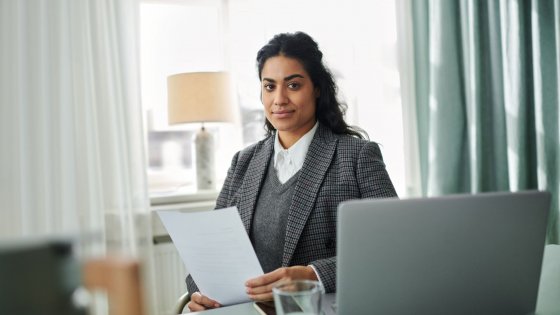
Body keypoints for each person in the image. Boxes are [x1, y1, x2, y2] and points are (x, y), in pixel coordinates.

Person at [187, 31, 397, 312]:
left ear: (317, 89)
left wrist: (312, 275)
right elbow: (208, 255)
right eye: (269, 86)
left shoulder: (357, 156)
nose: (279, 99)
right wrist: (201, 292)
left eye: (294, 85)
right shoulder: (243, 162)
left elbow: (391, 248)